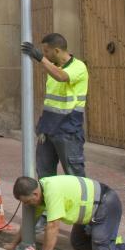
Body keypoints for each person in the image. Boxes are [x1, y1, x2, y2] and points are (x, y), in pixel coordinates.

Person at [21, 33, 89, 179]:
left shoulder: (78, 66)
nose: (45, 54)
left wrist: (40, 58)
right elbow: (51, 102)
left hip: (68, 130)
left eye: (46, 51)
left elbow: (62, 76)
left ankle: (81, 202)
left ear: (57, 51)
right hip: (48, 130)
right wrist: (41, 127)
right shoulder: (53, 68)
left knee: (74, 174)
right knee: (44, 174)